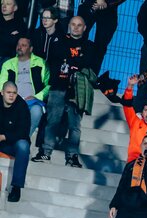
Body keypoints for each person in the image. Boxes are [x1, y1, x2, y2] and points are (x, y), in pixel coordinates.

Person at [34, 14, 97, 167]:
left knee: (74, 126)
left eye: (79, 25)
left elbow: (87, 63)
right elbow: (54, 60)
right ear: (69, 25)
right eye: (73, 24)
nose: (75, 28)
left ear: (85, 28)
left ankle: (72, 157)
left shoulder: (89, 46)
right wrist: (75, 63)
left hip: (77, 91)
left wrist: (71, 61)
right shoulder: (59, 41)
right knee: (52, 121)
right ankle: (45, 152)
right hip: (58, 87)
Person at [1, 38, 49, 150]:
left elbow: (48, 85)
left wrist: (36, 97)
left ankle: (23, 139)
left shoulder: (41, 63)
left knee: (36, 111)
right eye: (18, 44)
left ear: (31, 49)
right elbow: (2, 84)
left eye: (23, 45)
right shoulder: (8, 64)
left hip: (32, 101)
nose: (19, 47)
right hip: (14, 100)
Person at [0, 80, 30, 202]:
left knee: (23, 146)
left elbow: (23, 132)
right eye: (8, 92)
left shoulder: (22, 106)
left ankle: (16, 187)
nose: (11, 95)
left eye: (14, 93)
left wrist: (4, 136)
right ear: (2, 92)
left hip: (12, 144)